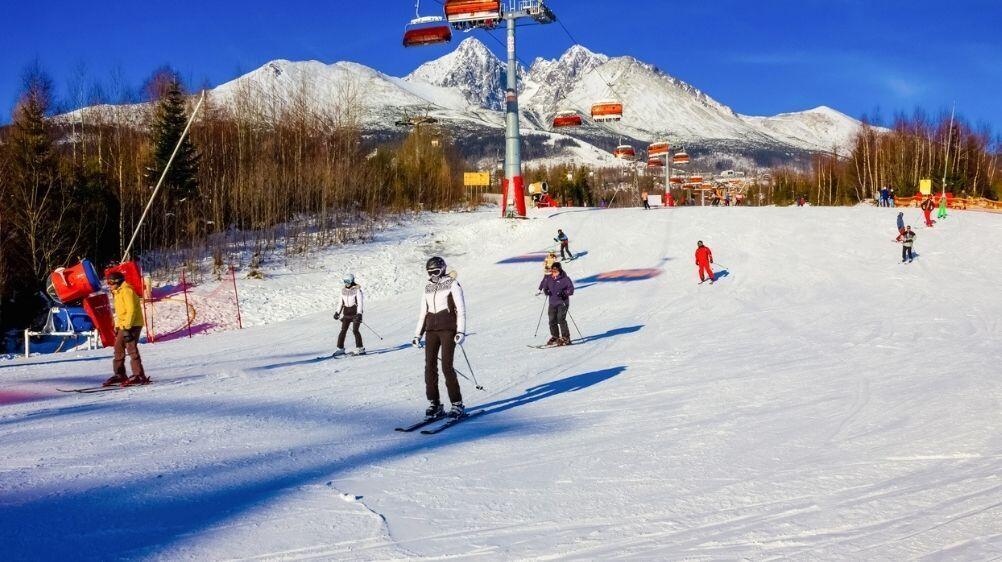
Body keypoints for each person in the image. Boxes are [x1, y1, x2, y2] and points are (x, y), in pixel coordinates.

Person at [412, 257, 467, 419]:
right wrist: (417, 334)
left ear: (443, 269)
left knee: (447, 367)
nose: (433, 275)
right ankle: (434, 403)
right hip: (431, 330)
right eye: (430, 273)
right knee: (429, 367)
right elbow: (423, 312)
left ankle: (457, 404)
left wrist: (461, 331)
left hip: (448, 329)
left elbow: (461, 309)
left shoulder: (452, 283)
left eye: (436, 272)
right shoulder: (427, 287)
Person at [103, 271, 149, 387]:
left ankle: (139, 375)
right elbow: (121, 313)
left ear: (118, 282)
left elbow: (131, 310)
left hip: (133, 325)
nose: (109, 285)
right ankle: (120, 374)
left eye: (111, 282)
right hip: (124, 325)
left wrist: (127, 328)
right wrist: (118, 326)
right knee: (118, 348)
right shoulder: (117, 292)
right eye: (108, 282)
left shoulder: (127, 291)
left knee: (131, 348)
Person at [537, 261, 575, 346]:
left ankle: (566, 337)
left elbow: (571, 289)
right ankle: (555, 337)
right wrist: (546, 291)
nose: (553, 272)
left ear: (559, 270)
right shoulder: (549, 278)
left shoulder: (565, 279)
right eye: (552, 271)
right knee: (552, 320)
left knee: (561, 319)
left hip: (563, 302)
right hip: (552, 303)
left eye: (555, 271)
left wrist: (564, 293)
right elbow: (545, 287)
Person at [333, 273, 364, 356]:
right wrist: (337, 312)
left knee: (355, 330)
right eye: (345, 281)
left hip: (355, 313)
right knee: (343, 330)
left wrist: (359, 313)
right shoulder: (343, 290)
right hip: (346, 312)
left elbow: (360, 303)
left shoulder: (357, 290)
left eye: (348, 281)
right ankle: (340, 348)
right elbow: (340, 302)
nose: (346, 283)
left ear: (352, 281)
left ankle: (360, 348)